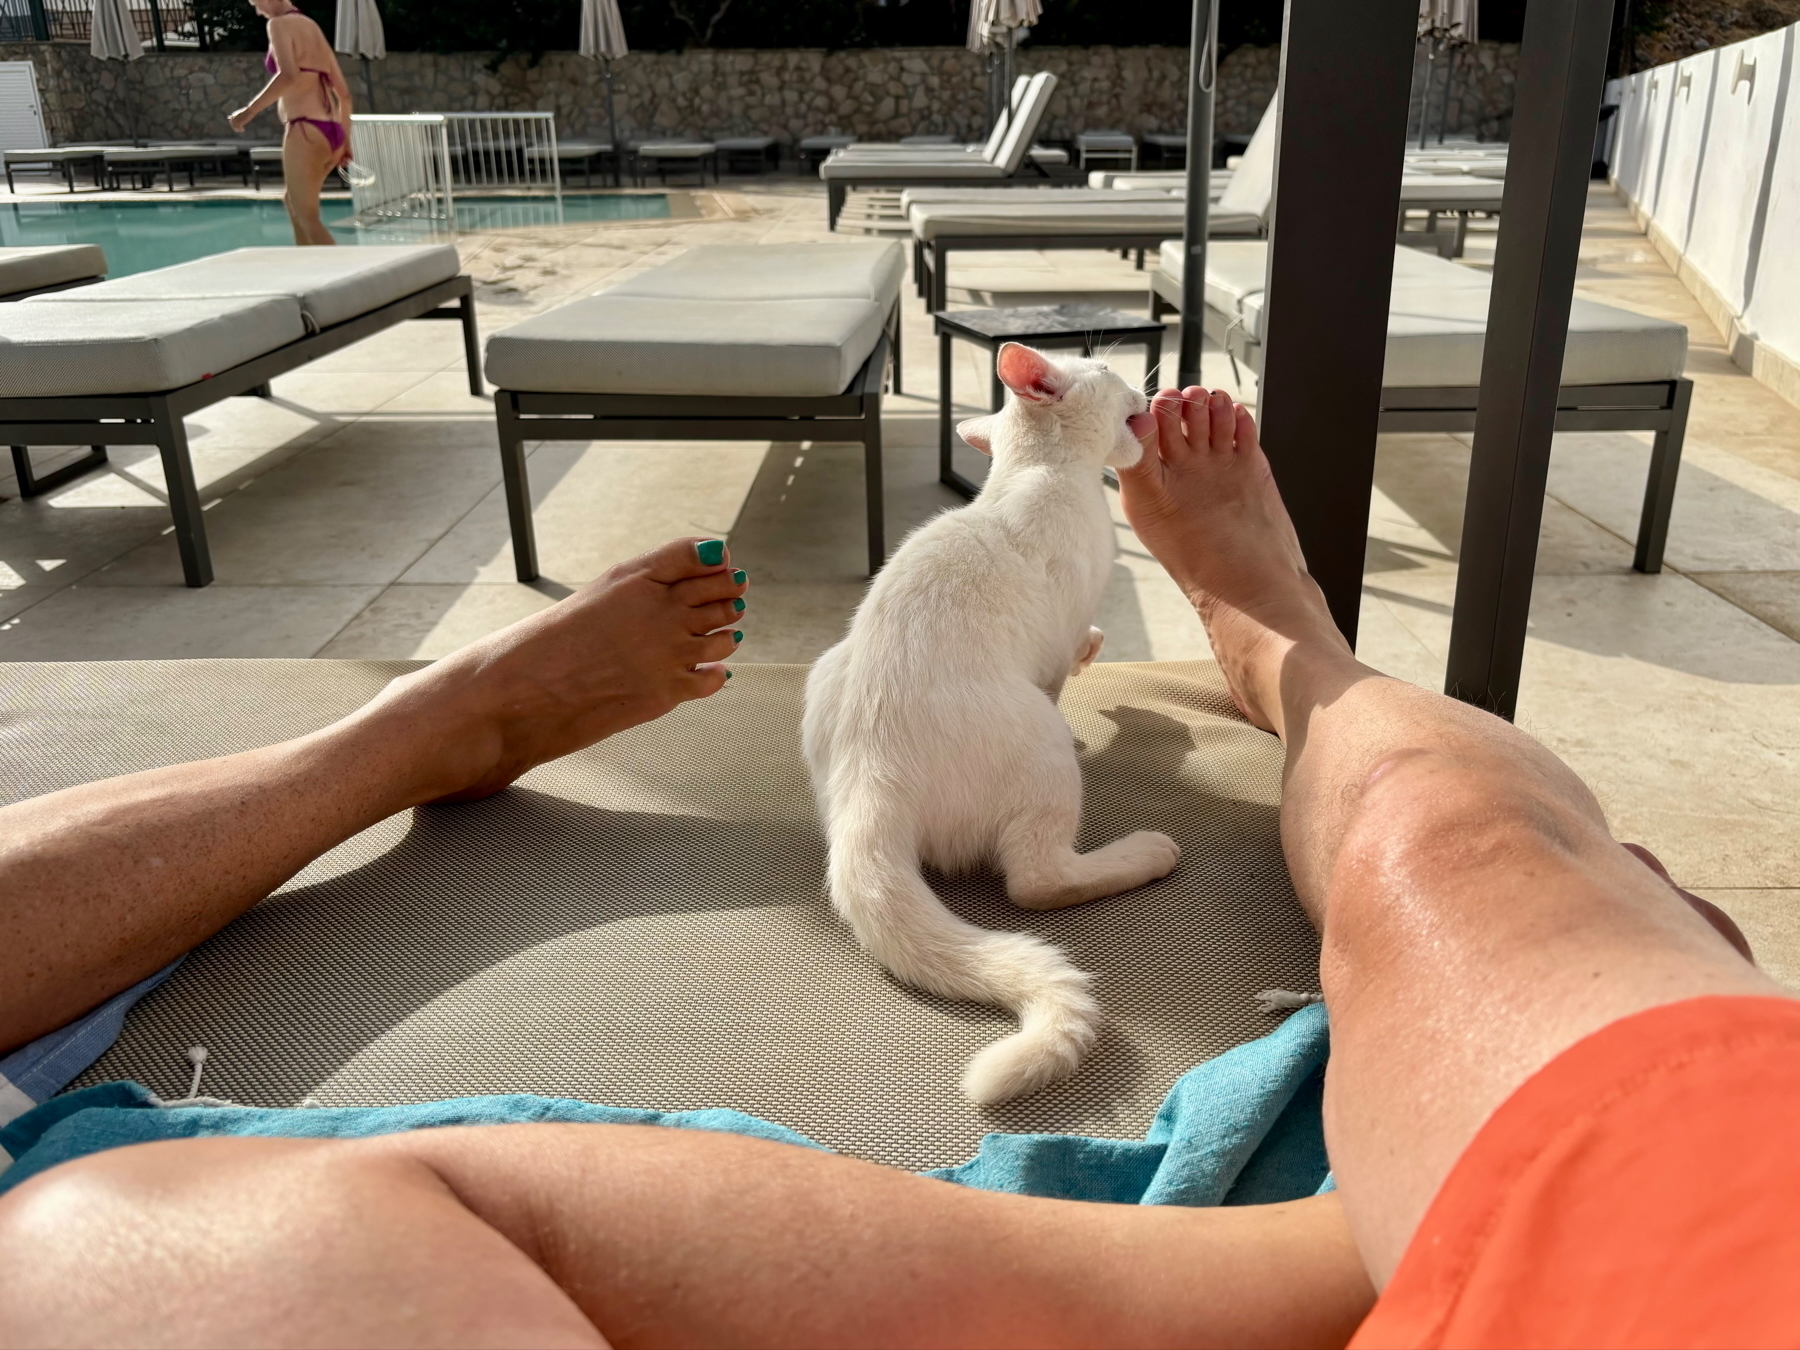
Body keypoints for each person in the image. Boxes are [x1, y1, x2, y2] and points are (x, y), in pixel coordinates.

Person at [0, 388, 1794, 1348]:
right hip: (1658, 1251)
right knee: (1473, 856)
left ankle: (410, 738)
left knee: (113, 1258)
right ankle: (1286, 653)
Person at [228, 0, 352, 246]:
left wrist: (249, 111)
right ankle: (310, 269)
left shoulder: (278, 25)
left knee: (308, 218)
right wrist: (345, 141)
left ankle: (351, 278)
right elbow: (344, 94)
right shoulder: (311, 26)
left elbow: (288, 75)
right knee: (294, 205)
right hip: (331, 131)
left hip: (304, 129)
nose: (257, 10)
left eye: (256, 3)